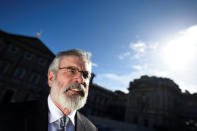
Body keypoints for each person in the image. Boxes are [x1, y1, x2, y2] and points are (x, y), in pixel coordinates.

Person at [0, 49, 97, 131]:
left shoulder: (91, 128)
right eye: (71, 71)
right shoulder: (7, 115)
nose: (81, 80)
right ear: (51, 78)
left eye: (86, 75)